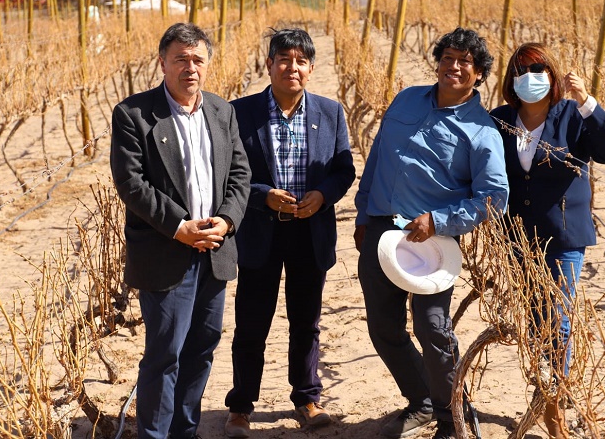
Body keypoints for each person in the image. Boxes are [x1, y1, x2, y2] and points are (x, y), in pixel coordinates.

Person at [353, 27, 509, 439]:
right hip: (383, 230)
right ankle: (422, 400)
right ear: (438, 61)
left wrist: (438, 221)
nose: (454, 67)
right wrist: (363, 217)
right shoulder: (406, 100)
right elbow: (378, 159)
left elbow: (493, 198)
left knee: (433, 328)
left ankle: (452, 416)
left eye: (465, 62)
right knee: (383, 327)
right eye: (448, 57)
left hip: (435, 240)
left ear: (478, 74)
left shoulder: (482, 131)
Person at [110, 22, 250, 439]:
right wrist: (179, 227)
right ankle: (154, 434)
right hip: (165, 251)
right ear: (162, 63)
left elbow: (240, 175)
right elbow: (131, 184)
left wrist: (225, 221)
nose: (190, 68)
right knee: (164, 354)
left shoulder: (222, 111)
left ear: (208, 64)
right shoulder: (134, 114)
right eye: (180, 60)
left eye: (198, 60)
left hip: (215, 248)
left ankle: (184, 431)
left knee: (202, 349)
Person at [223, 28, 356, 438]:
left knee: (306, 322)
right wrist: (263, 196)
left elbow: (344, 169)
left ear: (311, 68)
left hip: (309, 231)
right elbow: (228, 171)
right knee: (251, 321)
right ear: (269, 64)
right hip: (261, 232)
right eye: (284, 59)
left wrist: (323, 194)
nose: (291, 68)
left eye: (300, 61)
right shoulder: (239, 113)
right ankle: (241, 406)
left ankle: (307, 399)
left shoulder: (330, 113)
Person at [490, 42, 605, 439]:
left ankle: (551, 400)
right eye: (522, 70)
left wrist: (588, 103)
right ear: (511, 79)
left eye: (539, 69)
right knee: (534, 319)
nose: (531, 78)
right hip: (517, 236)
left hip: (564, 235)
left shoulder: (571, 115)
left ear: (553, 75)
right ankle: (551, 387)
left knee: (557, 320)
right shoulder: (500, 120)